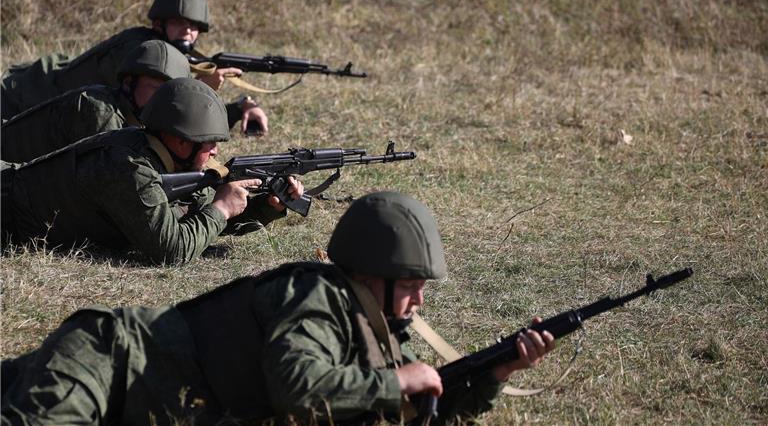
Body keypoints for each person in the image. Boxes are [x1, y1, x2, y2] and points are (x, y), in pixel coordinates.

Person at [0, 192, 555, 425]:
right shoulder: (313, 298)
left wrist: (496, 372)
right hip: (110, 359)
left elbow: (414, 410)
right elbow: (299, 384)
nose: (420, 299)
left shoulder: (371, 332)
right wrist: (398, 380)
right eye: (409, 283)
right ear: (369, 275)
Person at [0, 77, 302, 264]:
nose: (215, 151)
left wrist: (266, 206)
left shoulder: (164, 160)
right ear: (179, 140)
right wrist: (221, 208)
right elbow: (171, 250)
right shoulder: (129, 168)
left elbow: (198, 215)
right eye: (208, 143)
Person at [0, 0, 262, 132]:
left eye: (194, 26)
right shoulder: (143, 53)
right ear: (159, 24)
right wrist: (206, 91)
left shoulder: (164, 51)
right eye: (179, 22)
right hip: (20, 101)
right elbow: (168, 121)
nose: (188, 30)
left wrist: (242, 106)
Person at [1, 40, 266, 163]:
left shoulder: (137, 112)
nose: (163, 98)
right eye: (154, 87)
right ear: (128, 84)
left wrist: (240, 106)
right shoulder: (101, 114)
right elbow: (131, 177)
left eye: (170, 90)